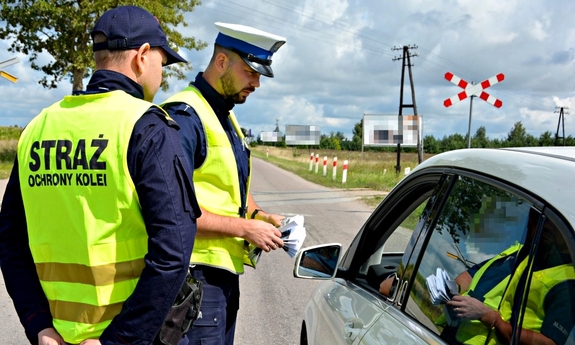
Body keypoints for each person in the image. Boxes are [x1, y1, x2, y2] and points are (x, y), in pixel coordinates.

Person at [0, 6, 201, 345]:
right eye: (162, 64)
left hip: (57, 337)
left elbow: (10, 239)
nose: (162, 75)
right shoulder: (147, 126)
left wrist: (38, 325)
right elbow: (173, 251)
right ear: (142, 56)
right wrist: (120, 340)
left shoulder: (38, 127)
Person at [161, 22, 287, 344]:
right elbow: (174, 211)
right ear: (221, 63)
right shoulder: (185, 117)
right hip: (192, 274)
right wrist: (245, 230)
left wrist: (260, 217)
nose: (257, 83)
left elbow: (235, 193)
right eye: (251, 72)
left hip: (219, 276)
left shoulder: (225, 115)